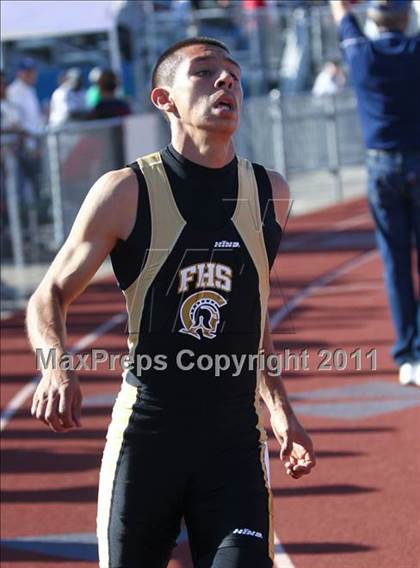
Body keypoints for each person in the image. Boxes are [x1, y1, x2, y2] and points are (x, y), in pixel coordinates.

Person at [27, 37, 316, 567]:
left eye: (232, 72)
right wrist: (54, 367)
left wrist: (280, 410)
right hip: (148, 439)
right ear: (165, 99)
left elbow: (250, 318)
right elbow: (48, 295)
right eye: (204, 73)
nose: (226, 81)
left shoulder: (269, 193)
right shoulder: (125, 192)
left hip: (233, 443)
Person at [330, 0, 420, 386]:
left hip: (381, 166)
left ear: (373, 19)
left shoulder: (361, 51)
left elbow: (340, 14)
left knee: (394, 262)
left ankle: (407, 354)